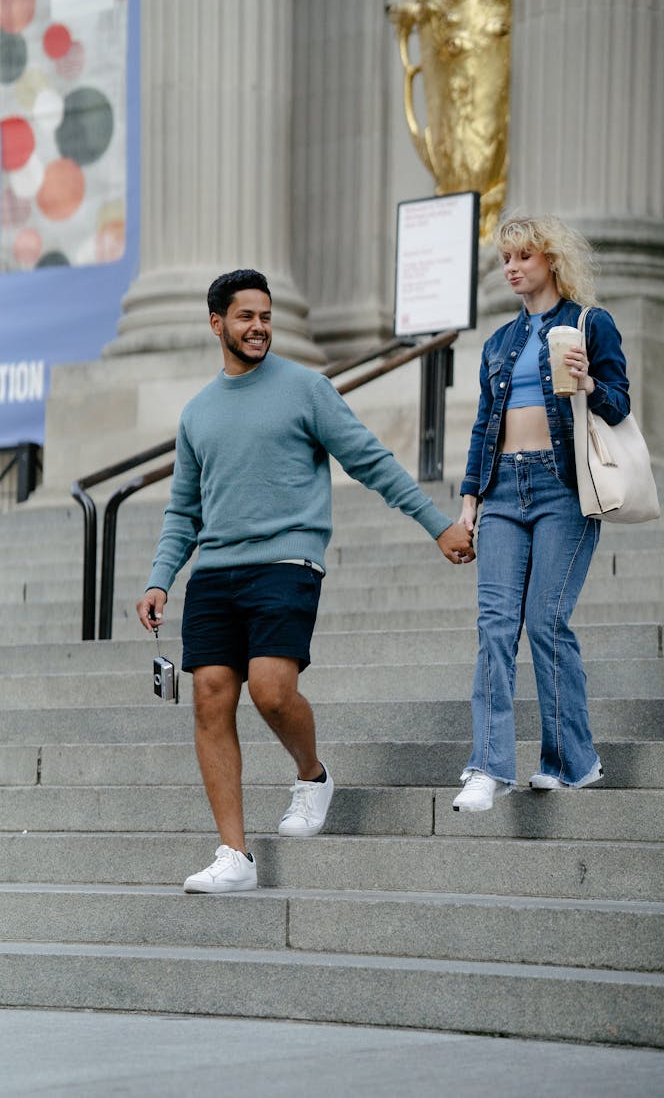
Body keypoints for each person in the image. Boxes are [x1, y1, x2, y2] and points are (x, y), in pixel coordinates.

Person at [136, 268, 475, 892]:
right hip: (213, 571)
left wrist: (437, 524)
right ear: (218, 324)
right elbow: (183, 509)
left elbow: (368, 459)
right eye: (246, 317)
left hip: (286, 561)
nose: (259, 326)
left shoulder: (305, 388)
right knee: (211, 695)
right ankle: (234, 857)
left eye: (266, 316)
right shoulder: (197, 412)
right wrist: (161, 579)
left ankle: (312, 776)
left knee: (269, 689)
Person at [452, 214, 630, 812]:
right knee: (495, 627)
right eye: (505, 259)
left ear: (551, 260)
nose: (512, 268)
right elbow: (484, 425)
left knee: (545, 621)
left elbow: (621, 400)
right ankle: (489, 766)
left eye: (523, 257)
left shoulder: (589, 323)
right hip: (503, 491)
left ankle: (569, 761)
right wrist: (471, 495)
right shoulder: (498, 343)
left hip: (561, 488)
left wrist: (588, 384)